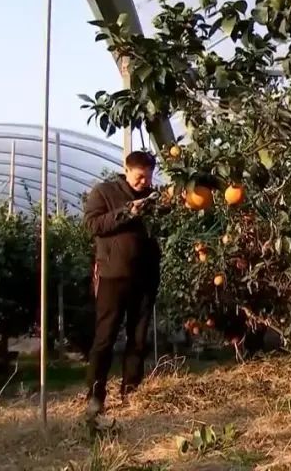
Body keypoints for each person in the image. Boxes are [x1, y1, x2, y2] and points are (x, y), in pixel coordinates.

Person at [82, 150, 162, 421]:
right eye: (140, 177)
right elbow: (93, 225)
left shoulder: (151, 195)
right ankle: (95, 395)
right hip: (113, 277)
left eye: (148, 178)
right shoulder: (104, 192)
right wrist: (127, 212)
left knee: (138, 338)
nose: (144, 183)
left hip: (145, 277)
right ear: (126, 170)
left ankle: (132, 390)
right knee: (105, 338)